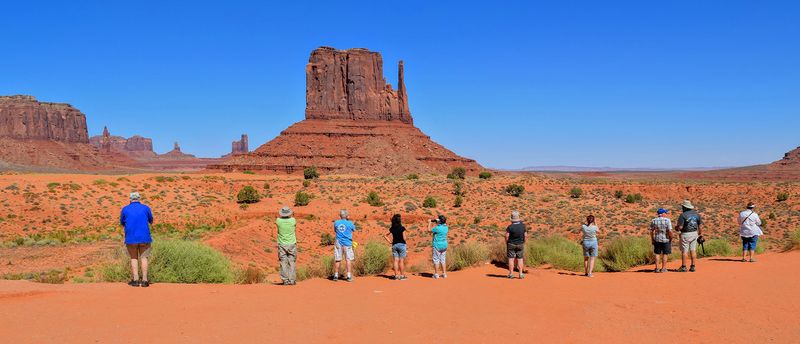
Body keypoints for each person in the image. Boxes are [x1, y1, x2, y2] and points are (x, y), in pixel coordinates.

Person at [120, 192, 154, 287]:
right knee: (144, 258)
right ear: (139, 198)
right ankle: (144, 280)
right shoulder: (146, 208)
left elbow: (122, 222)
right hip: (144, 237)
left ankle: (135, 280)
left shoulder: (125, 209)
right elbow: (151, 220)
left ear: (130, 199)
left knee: (134, 258)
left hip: (131, 238)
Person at [676, 200, 702, 272]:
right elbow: (700, 226)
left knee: (684, 251)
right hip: (694, 233)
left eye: (682, 206)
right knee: (693, 250)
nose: (682, 207)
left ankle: (684, 267)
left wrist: (677, 228)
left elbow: (680, 227)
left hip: (686, 234)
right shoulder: (697, 214)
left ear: (685, 207)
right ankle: (693, 266)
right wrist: (700, 233)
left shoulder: (683, 215)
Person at [332, 209, 357, 282]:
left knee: (338, 259)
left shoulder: (336, 223)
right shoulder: (350, 223)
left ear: (340, 215)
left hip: (338, 243)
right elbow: (354, 230)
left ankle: (336, 275)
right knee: (348, 259)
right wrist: (348, 220)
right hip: (347, 243)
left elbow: (335, 230)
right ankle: (348, 276)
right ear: (347, 215)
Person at [275, 206, 297, 285]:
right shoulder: (293, 220)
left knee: (283, 262)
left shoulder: (278, 221)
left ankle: (285, 280)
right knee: (292, 262)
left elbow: (277, 217)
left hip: (282, 244)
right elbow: (293, 217)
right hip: (292, 244)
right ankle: (292, 280)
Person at [383, 214, 408, 280]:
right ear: (399, 221)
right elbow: (404, 238)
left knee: (395, 260)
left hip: (394, 245)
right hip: (402, 245)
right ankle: (402, 276)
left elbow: (385, 235)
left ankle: (396, 276)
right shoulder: (402, 228)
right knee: (401, 261)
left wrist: (390, 242)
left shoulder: (392, 228)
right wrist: (407, 236)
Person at [650, 208, 673, 273]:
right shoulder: (667, 220)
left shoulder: (654, 220)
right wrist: (671, 238)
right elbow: (670, 231)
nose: (666, 214)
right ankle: (663, 269)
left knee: (657, 254)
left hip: (657, 239)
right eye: (665, 213)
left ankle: (657, 268)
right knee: (665, 254)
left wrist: (652, 239)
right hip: (666, 239)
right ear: (662, 214)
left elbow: (651, 231)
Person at [505, 211, 526, 279]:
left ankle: (511, 274)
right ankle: (520, 274)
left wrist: (507, 243)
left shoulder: (510, 227)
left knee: (511, 259)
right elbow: (525, 235)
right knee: (520, 259)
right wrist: (524, 242)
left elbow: (507, 236)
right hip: (520, 244)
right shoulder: (523, 226)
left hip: (511, 244)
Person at [430, 215, 449, 279]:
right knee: (443, 260)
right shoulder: (446, 227)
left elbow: (428, 230)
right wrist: (438, 221)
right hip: (444, 245)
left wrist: (429, 222)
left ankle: (436, 274)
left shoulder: (437, 228)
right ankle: (444, 274)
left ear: (439, 221)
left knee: (436, 260)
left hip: (437, 245)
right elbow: (441, 224)